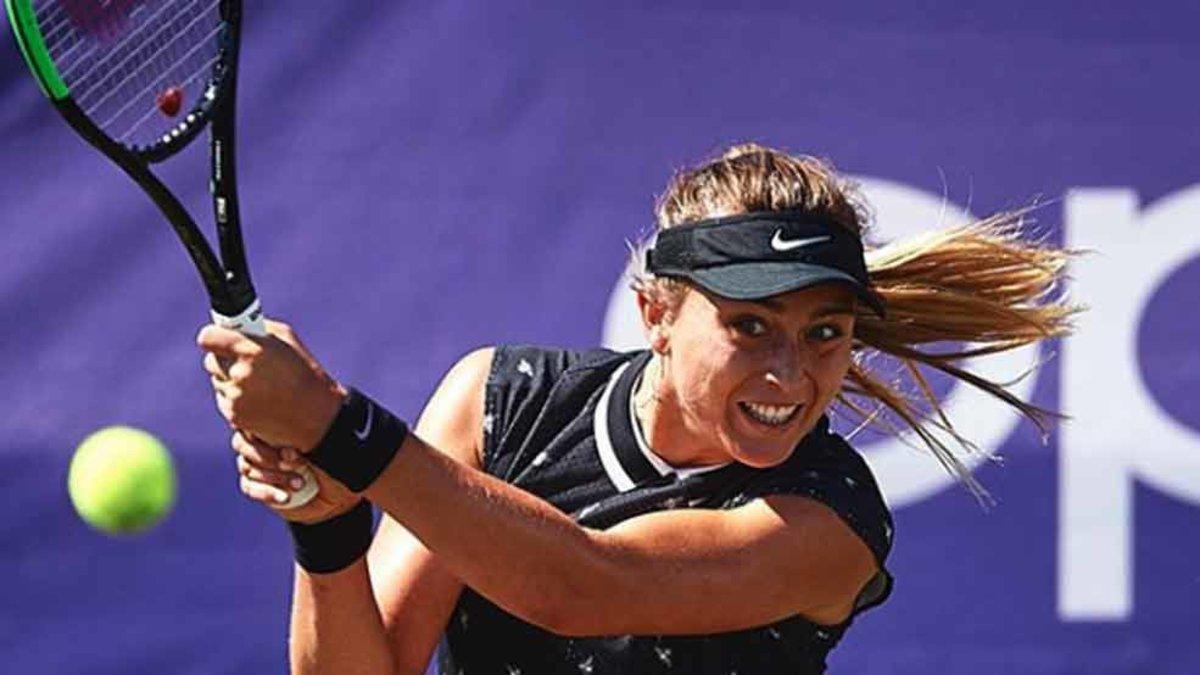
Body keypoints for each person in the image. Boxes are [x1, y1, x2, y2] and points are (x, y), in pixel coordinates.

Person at [198, 144, 1075, 674]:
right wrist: (326, 526)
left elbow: (587, 586)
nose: (789, 372)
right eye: (750, 324)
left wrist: (339, 430)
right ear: (656, 311)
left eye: (825, 332)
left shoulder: (828, 518)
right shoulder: (500, 403)